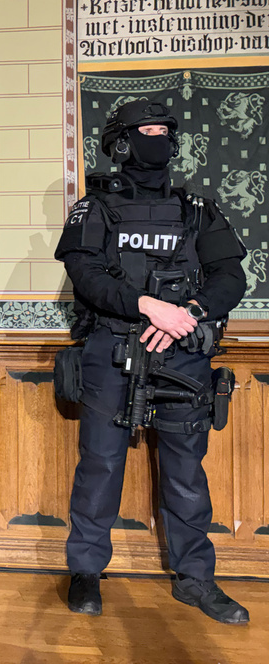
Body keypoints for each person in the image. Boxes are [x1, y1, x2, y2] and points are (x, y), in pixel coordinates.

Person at [55, 99, 249, 624]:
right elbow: (87, 275)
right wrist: (147, 306)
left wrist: (187, 312)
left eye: (165, 131)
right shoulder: (93, 209)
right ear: (122, 142)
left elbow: (231, 276)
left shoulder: (197, 210)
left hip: (183, 351)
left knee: (187, 470)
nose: (158, 138)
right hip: (111, 349)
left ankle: (196, 580)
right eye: (148, 130)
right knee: (100, 465)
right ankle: (86, 572)